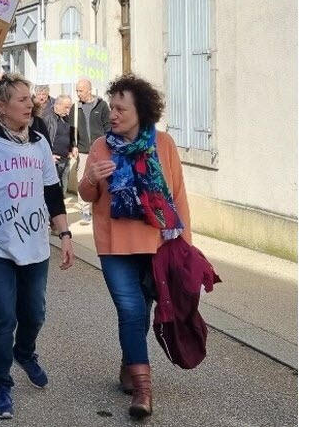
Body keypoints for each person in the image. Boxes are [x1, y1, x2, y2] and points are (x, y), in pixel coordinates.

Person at [0, 72, 75, 420]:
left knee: (35, 313)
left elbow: (52, 193)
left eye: (31, 99)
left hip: (34, 245)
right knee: (3, 317)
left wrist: (65, 235)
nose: (32, 104)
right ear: (1, 106)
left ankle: (24, 352)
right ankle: (1, 386)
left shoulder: (39, 143)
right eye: (23, 99)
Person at [77, 74, 192, 419]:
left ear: (140, 110)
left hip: (156, 243)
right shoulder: (101, 147)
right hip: (114, 246)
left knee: (142, 311)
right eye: (111, 108)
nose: (112, 114)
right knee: (131, 311)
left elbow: (178, 196)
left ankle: (130, 363)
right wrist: (92, 178)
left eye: (119, 108)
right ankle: (143, 391)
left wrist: (185, 245)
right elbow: (86, 194)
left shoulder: (164, 144)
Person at [72, 78, 111, 224]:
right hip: (82, 149)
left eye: (80, 90)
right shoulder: (75, 108)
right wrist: (73, 145)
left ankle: (101, 207)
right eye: (77, 90)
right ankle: (84, 209)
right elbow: (72, 129)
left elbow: (108, 126)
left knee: (103, 178)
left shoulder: (101, 105)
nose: (78, 93)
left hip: (100, 149)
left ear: (89, 89)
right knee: (83, 178)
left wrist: (108, 144)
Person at [41, 94, 77, 195]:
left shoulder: (66, 118)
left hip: (65, 159)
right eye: (66, 107)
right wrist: (48, 156)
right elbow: (41, 141)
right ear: (57, 105)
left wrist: (73, 147)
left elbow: (69, 134)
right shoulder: (46, 118)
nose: (68, 111)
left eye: (69, 108)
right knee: (55, 191)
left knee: (63, 191)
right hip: (53, 161)